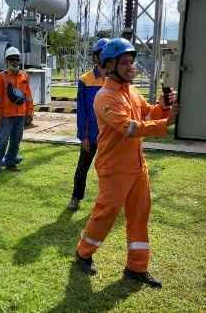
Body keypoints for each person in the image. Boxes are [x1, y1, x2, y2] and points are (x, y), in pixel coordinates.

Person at [74, 38, 178, 288]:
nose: (131, 66)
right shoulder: (105, 97)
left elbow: (147, 113)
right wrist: (167, 124)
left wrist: (163, 108)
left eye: (132, 61)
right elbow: (129, 128)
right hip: (115, 168)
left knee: (140, 215)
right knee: (106, 214)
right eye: (124, 62)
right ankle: (83, 253)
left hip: (137, 167)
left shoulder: (131, 91)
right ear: (110, 65)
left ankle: (136, 267)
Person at [67, 38, 109, 211]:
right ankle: (76, 198)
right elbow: (82, 111)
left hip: (109, 136)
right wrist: (83, 135)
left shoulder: (114, 79)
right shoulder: (85, 80)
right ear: (97, 57)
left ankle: (107, 201)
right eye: (102, 54)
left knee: (108, 171)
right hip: (90, 135)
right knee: (82, 168)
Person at [0, 46, 34, 175]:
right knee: (2, 141)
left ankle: (10, 163)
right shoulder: (1, 77)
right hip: (6, 116)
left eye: (16, 59)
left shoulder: (24, 76)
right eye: (12, 59)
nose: (15, 62)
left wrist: (30, 112)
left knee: (16, 141)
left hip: (20, 115)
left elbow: (28, 95)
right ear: (7, 61)